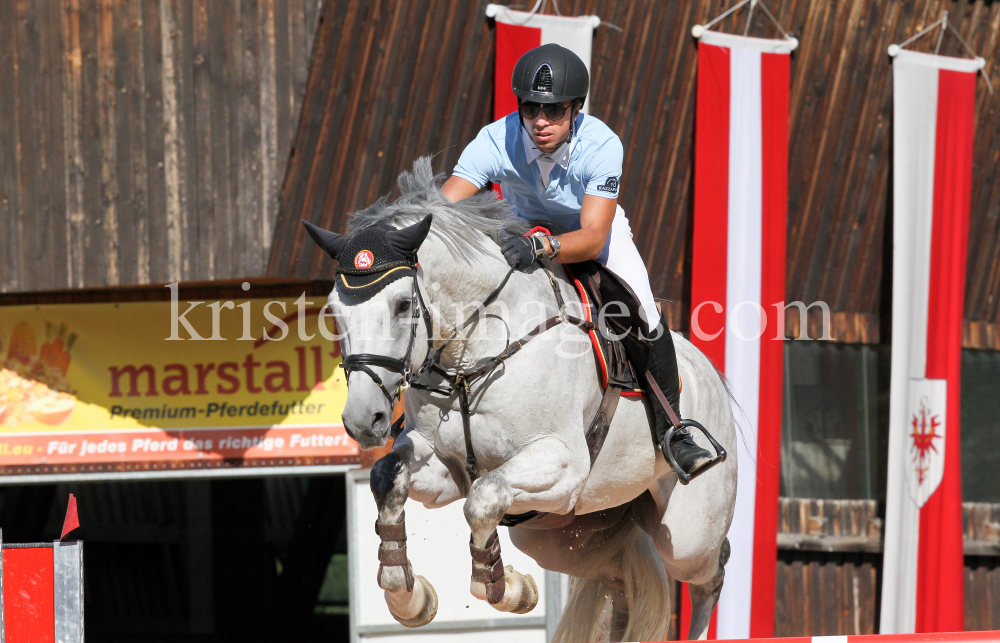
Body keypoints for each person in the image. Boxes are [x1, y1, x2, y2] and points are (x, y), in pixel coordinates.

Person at [440, 44, 716, 479]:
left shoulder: (602, 145)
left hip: (590, 234)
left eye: (554, 110)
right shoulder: (495, 138)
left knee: (641, 309)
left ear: (577, 109)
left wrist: (544, 248)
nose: (541, 122)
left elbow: (590, 238)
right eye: (531, 109)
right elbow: (444, 205)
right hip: (522, 228)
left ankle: (675, 431)